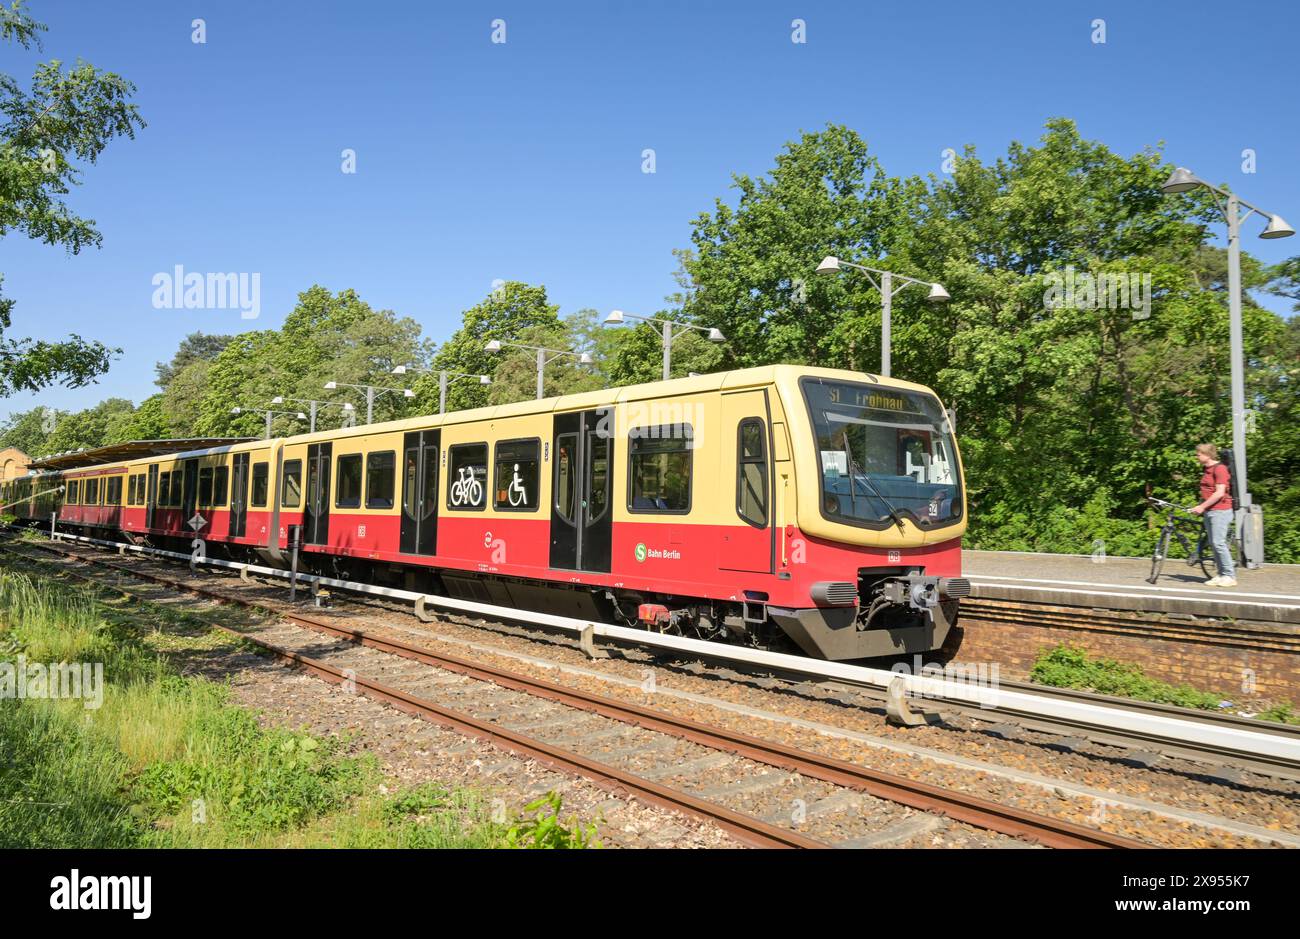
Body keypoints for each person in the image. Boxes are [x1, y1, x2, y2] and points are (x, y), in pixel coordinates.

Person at [1190, 443, 1235, 587]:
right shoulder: (1207, 469)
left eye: (1199, 454)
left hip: (1220, 511)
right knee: (1214, 544)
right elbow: (1207, 491)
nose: (1197, 456)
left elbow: (1220, 492)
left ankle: (1230, 575)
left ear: (1207, 455)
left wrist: (1202, 506)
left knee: (1218, 543)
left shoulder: (1220, 468)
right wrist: (1201, 508)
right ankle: (1221, 574)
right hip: (1210, 511)